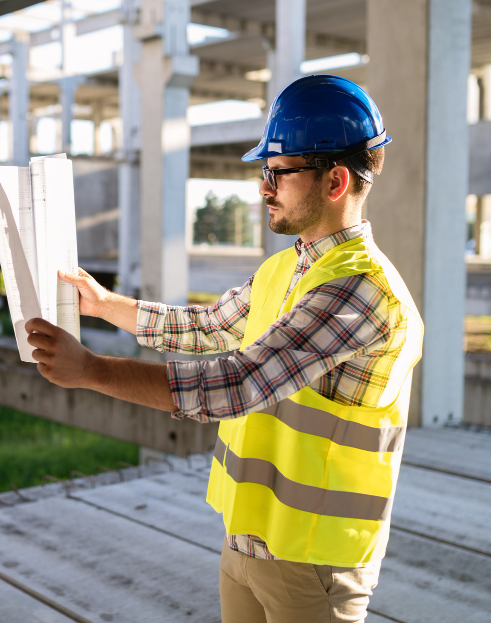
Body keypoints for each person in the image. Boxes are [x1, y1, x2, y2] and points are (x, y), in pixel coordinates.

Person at [25, 74, 424, 623]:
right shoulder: (287, 268)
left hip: (312, 565)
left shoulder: (360, 292)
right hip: (247, 541)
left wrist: (91, 369)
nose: (263, 188)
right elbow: (209, 326)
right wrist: (105, 304)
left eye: (278, 174)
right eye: (266, 173)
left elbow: (239, 383)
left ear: (334, 181)